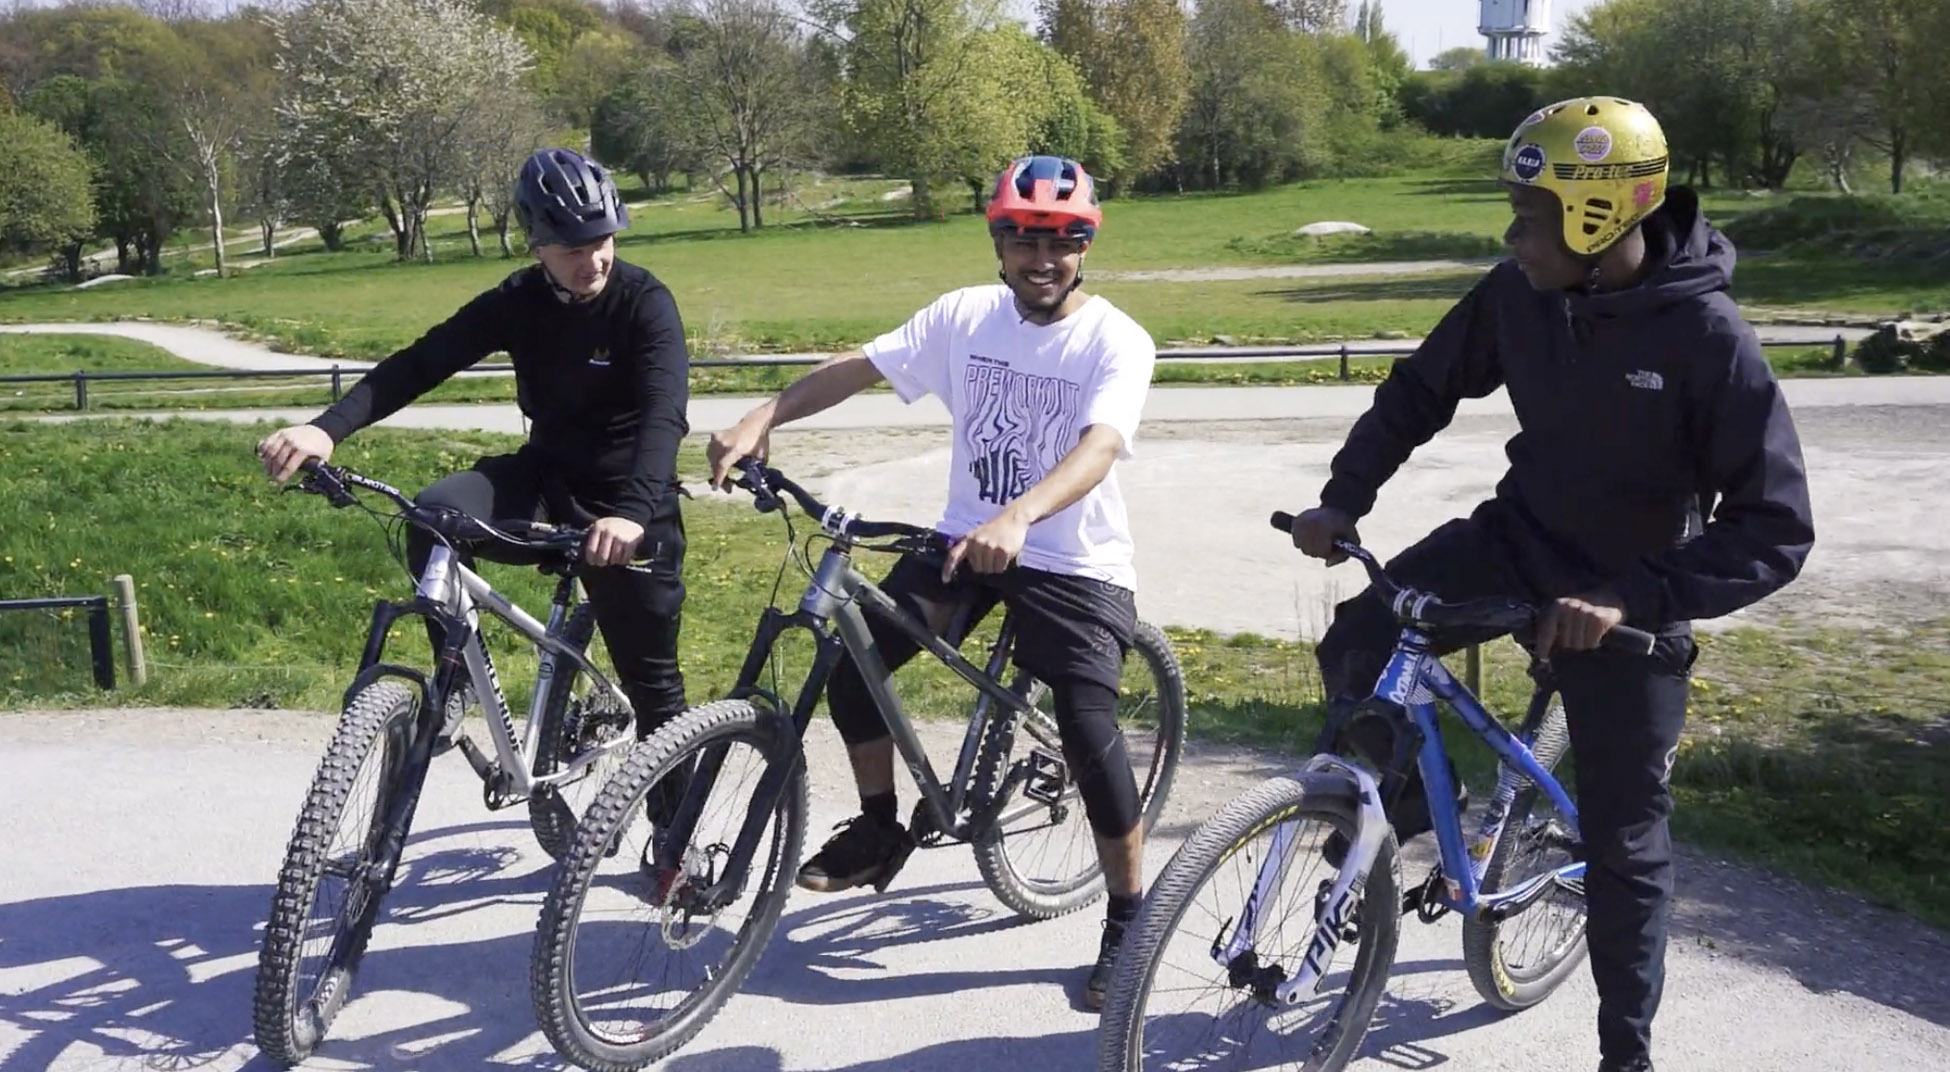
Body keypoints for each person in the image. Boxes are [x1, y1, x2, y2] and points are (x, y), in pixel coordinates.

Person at [1285, 97, 1815, 1072]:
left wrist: (1637, 598)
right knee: (1360, 635)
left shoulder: (1709, 338)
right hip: (1517, 540)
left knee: (1624, 837)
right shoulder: (1518, 295)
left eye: (1528, 213)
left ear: (1598, 215)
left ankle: (1627, 1052)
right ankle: (1397, 823)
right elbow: (1420, 390)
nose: (1511, 233)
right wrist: (1343, 498)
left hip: (1628, 594)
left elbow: (1775, 527)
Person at [706, 154, 1157, 1009]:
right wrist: (763, 415)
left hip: (1072, 559)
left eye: (1062, 243)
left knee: (1088, 722)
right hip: (966, 542)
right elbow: (859, 367)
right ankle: (880, 830)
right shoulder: (966, 317)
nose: (1042, 260)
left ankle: (1130, 913)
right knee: (853, 668)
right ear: (997, 242)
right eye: (1024, 241)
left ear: (1085, 247)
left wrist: (1020, 515)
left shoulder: (1116, 339)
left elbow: (1099, 447)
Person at [255, 146, 692, 753]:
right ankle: (454, 678)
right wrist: (326, 428)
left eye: (604, 241)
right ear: (536, 244)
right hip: (546, 478)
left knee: (656, 693)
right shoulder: (519, 300)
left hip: (628, 501)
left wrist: (634, 514)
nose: (593, 260)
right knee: (431, 516)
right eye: (573, 249)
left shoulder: (645, 303)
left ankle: (677, 848)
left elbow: (664, 419)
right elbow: (420, 363)